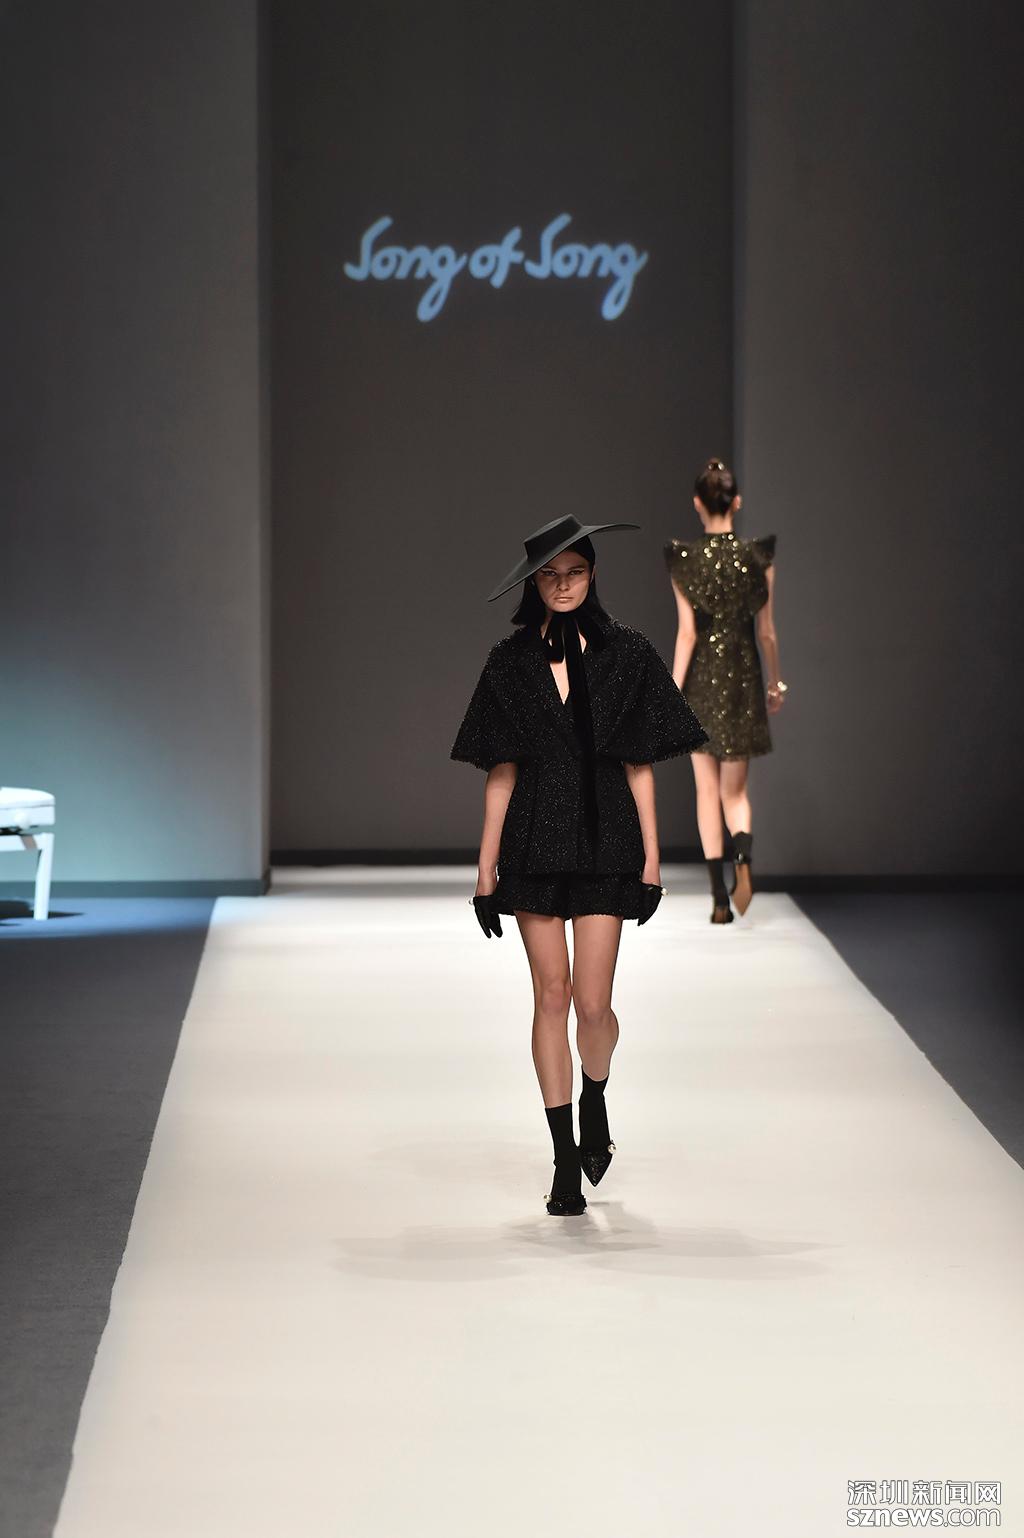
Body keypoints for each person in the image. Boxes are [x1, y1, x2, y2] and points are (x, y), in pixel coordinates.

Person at [451, 514, 706, 1216]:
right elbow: (501, 771)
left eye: (575, 572)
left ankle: (596, 1093)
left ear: (593, 575)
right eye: (550, 575)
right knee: (551, 997)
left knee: (593, 1005)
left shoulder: (627, 653)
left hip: (605, 838)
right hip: (533, 841)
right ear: (533, 582)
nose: (563, 585)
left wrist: (653, 859)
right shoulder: (510, 661)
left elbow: (640, 763)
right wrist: (485, 871)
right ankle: (565, 1157)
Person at [664, 458, 786, 923]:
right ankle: (744, 859)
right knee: (736, 794)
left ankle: (718, 900)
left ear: (698, 504)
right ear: (737, 503)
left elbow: (687, 634)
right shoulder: (758, 557)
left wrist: (672, 694)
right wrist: (775, 682)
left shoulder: (684, 559)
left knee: (706, 792)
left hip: (700, 682)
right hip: (743, 680)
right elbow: (767, 632)